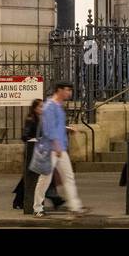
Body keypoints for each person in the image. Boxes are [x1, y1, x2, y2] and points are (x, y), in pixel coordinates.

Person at [33, 81, 87, 217]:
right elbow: (49, 128)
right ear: (59, 90)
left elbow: (56, 126)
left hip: (60, 148)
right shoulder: (50, 106)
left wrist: (68, 129)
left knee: (68, 176)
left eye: (70, 90)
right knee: (45, 178)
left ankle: (75, 207)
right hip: (51, 148)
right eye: (67, 90)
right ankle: (38, 207)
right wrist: (56, 145)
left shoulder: (58, 106)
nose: (70, 93)